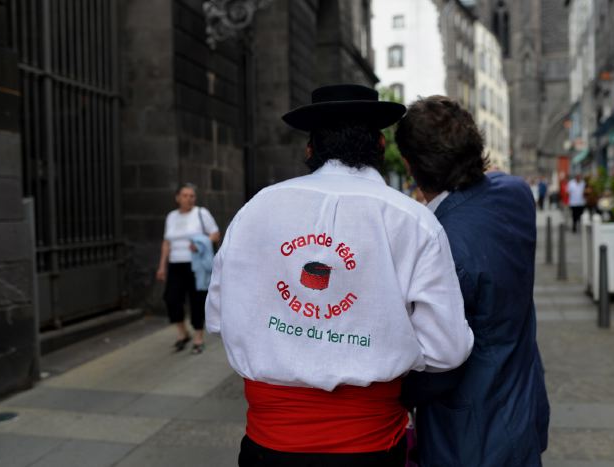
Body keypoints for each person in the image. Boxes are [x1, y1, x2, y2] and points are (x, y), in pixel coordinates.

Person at [205, 84, 474, 466]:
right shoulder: (414, 221)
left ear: (310, 150)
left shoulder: (256, 210)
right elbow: (447, 349)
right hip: (370, 446)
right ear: (380, 147)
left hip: (270, 444)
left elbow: (218, 316)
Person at [395, 96, 550, 467]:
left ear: (409, 165)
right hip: (523, 407)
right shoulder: (515, 194)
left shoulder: (440, 243)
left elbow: (440, 363)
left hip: (470, 431)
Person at [156, 183, 220, 354]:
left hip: (196, 264)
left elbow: (215, 234)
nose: (189, 198)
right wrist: (162, 266)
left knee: (197, 299)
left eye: (192, 195)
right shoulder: (171, 216)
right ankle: (183, 333)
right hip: (175, 264)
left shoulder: (201, 213)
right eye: (185, 195)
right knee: (171, 299)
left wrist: (200, 243)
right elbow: (166, 242)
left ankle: (198, 337)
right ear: (177, 198)